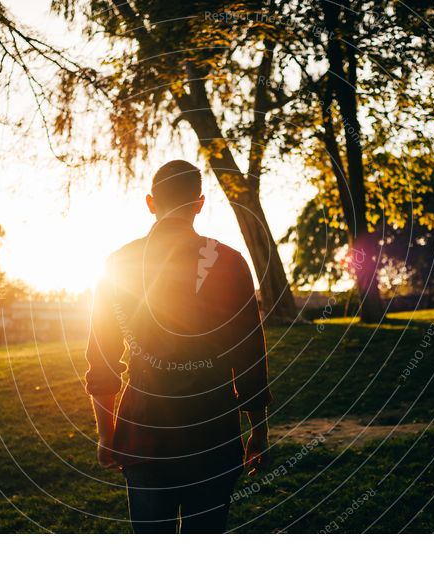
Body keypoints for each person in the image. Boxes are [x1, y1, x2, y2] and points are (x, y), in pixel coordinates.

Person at [84, 160, 271, 534]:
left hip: (144, 437)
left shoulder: (118, 264)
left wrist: (108, 435)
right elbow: (249, 354)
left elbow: (102, 359)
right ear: (199, 204)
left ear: (151, 202)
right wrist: (259, 432)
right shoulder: (230, 262)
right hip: (213, 435)